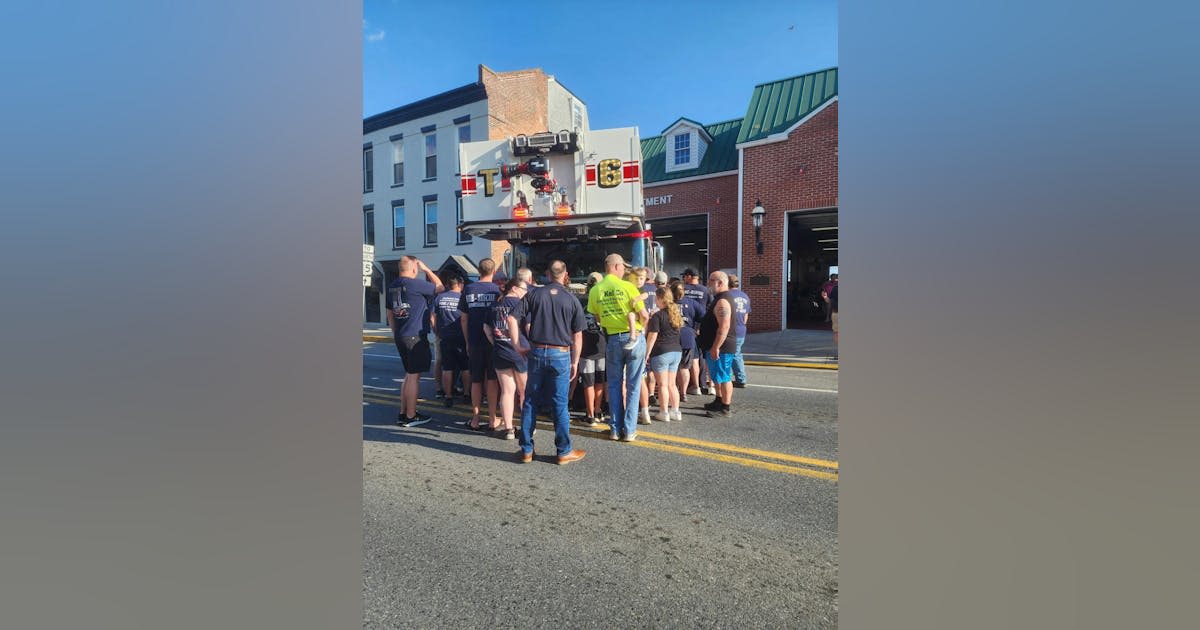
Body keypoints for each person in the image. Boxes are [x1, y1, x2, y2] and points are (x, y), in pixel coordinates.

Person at [508, 260, 588, 465]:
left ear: (547, 274)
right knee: (560, 404)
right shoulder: (572, 299)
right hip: (561, 354)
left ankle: (526, 450)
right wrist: (575, 361)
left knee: (530, 401)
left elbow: (512, 318)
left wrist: (517, 345)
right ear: (566, 274)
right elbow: (577, 336)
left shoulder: (534, 293)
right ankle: (563, 451)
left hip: (536, 352)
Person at [587, 253, 649, 441]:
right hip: (634, 337)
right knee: (633, 384)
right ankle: (629, 430)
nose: (624, 270)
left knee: (613, 385)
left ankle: (614, 428)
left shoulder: (595, 290)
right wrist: (639, 330)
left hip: (612, 339)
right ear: (615, 267)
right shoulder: (628, 287)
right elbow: (644, 315)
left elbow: (597, 317)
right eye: (622, 267)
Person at [387, 255, 444, 427]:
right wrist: (427, 269)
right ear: (414, 268)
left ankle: (403, 413)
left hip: (401, 335)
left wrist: (396, 331)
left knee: (408, 374)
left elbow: (390, 313)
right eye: (417, 269)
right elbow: (440, 287)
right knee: (414, 376)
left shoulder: (392, 286)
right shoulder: (414, 284)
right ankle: (411, 416)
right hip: (414, 335)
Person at [485, 269, 532, 440]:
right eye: (523, 290)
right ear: (514, 289)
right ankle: (526, 426)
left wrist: (496, 342)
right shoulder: (520, 305)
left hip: (500, 351)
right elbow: (528, 328)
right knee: (524, 391)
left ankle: (508, 429)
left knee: (507, 391)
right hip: (520, 352)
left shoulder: (495, 305)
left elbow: (486, 328)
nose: (525, 293)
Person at [458, 258, 502, 430]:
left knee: (476, 380)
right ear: (493, 272)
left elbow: (463, 318)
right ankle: (492, 418)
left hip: (475, 340)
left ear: (478, 270)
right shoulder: (497, 290)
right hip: (493, 341)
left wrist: (468, 341)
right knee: (492, 380)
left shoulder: (469, 289)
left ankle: (475, 419)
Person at [697, 271, 736, 418]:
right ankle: (718, 401)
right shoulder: (719, 298)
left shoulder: (723, 301)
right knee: (716, 376)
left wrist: (716, 347)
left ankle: (725, 407)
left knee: (724, 376)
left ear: (720, 283)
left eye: (711, 281)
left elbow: (724, 327)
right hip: (714, 345)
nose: (708, 284)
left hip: (722, 347)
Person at [644, 286, 683, 422]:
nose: (655, 300)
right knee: (672, 384)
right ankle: (676, 411)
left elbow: (652, 336)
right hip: (676, 351)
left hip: (661, 351)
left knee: (662, 385)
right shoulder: (675, 313)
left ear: (660, 299)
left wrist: (646, 353)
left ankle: (664, 412)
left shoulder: (657, 316)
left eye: (656, 298)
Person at [573, 277, 607, 427]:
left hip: (585, 347)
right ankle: (598, 410)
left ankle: (590, 415)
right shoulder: (604, 300)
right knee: (600, 381)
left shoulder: (578, 300)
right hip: (602, 344)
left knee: (588, 383)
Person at [432, 275, 468, 407]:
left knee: (447, 368)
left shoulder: (439, 298)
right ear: (459, 284)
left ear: (448, 285)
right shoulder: (463, 298)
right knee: (465, 367)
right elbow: (466, 318)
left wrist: (437, 331)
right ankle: (466, 395)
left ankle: (448, 396)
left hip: (445, 336)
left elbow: (432, 317)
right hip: (461, 337)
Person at [670, 280, 701, 405]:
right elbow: (703, 315)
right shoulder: (691, 302)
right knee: (684, 367)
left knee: (672, 367)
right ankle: (683, 393)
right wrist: (697, 327)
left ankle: (674, 391)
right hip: (688, 337)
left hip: (671, 338)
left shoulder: (669, 304)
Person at [727, 274, 751, 388]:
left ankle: (740, 379)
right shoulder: (745, 296)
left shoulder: (727, 296)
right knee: (736, 353)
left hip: (731, 330)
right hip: (741, 329)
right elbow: (746, 317)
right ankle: (736, 378)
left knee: (731, 354)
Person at [829, 281, 839, 358]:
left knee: (837, 333)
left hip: (836, 313)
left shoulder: (835, 288)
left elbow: (830, 301)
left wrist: (825, 297)